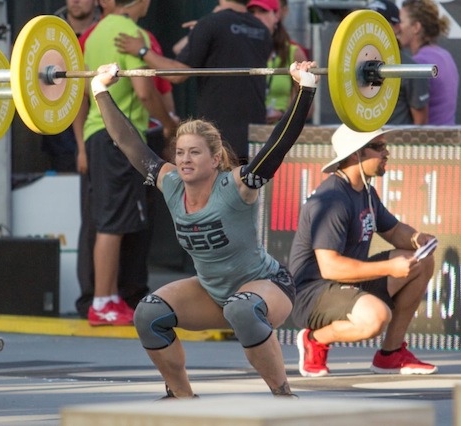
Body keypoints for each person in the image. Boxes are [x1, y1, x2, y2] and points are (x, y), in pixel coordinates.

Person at [90, 60, 318, 397]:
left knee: (241, 307)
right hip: (214, 294)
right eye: (180, 152)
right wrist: (100, 90)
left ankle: (283, 395)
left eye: (195, 153)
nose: (184, 159)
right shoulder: (170, 184)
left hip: (268, 287)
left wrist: (306, 88)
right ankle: (183, 400)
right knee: (148, 314)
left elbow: (277, 146)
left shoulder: (238, 185)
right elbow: (129, 144)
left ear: (215, 159)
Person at [287, 124, 438, 378]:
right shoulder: (332, 200)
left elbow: (393, 231)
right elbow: (330, 267)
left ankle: (390, 356)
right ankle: (315, 339)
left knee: (421, 261)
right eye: (378, 147)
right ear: (355, 154)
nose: (386, 153)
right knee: (376, 317)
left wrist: (416, 239)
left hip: (347, 284)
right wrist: (390, 268)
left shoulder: (365, 191)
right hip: (313, 293)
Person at [79, 0, 177, 326]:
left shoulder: (93, 35)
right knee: (112, 223)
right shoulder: (131, 32)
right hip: (118, 136)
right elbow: (145, 93)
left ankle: (106, 299)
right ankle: (103, 303)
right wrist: (169, 124)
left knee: (110, 220)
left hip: (99, 134)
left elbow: (81, 94)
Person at [114, 0, 272, 164]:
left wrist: (142, 50)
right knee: (247, 189)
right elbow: (182, 49)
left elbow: (177, 74)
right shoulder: (262, 30)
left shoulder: (212, 23)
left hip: (219, 138)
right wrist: (199, 31)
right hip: (255, 138)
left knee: (215, 189)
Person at [40, 0, 99, 172]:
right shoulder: (49, 29)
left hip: (98, 126)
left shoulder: (105, 28)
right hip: (60, 127)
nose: (75, 1)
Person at [248, 0, 310, 124]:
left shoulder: (293, 52)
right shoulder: (240, 51)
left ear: (276, 15)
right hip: (246, 131)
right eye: (251, 12)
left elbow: (308, 106)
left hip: (280, 132)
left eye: (263, 11)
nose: (256, 16)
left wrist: (283, 113)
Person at [367, 0, 429, 125]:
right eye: (367, 22)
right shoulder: (353, 65)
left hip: (397, 143)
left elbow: (420, 124)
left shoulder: (410, 69)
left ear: (396, 27)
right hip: (364, 142)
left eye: (379, 23)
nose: (371, 28)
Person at [398, 0, 458, 125]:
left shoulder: (420, 64)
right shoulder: (445, 55)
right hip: (448, 140)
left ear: (416, 27)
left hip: (430, 142)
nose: (397, 28)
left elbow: (420, 122)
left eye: (401, 22)